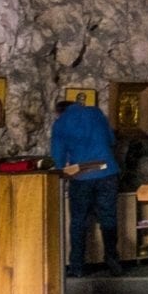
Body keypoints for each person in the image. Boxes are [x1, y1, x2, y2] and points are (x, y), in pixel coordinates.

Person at [51, 98, 124, 277]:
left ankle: (77, 266)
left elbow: (57, 155)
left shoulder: (60, 123)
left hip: (82, 176)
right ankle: (112, 260)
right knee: (108, 217)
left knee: (79, 221)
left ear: (59, 111)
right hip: (108, 172)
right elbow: (111, 139)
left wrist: (61, 171)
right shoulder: (96, 113)